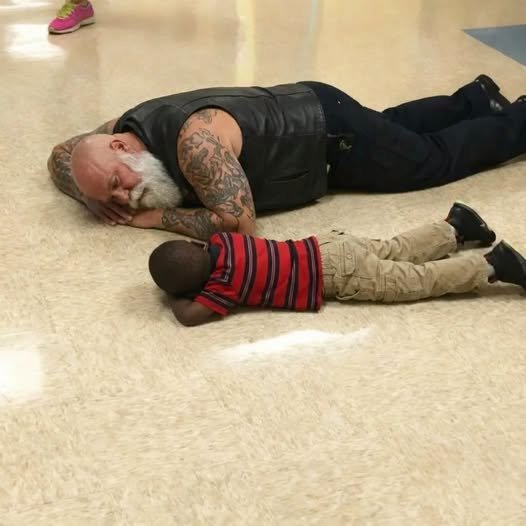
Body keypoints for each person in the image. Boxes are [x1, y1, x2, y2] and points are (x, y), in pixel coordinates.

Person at [48, 75, 526, 240]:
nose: (122, 197)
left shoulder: (195, 145)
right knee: (391, 127)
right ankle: (477, 99)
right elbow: (60, 155)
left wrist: (150, 219)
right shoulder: (123, 130)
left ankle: (518, 121)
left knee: (429, 160)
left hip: (330, 138)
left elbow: (238, 224)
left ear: (121, 147)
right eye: (111, 196)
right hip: (313, 102)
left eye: (116, 183)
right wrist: (90, 197)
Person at [147, 203, 526, 326]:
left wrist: (173, 296)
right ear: (194, 245)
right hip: (326, 245)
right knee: (395, 249)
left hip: (334, 276)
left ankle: (491, 266)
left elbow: (189, 317)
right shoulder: (223, 242)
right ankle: (455, 227)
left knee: (414, 280)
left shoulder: (223, 286)